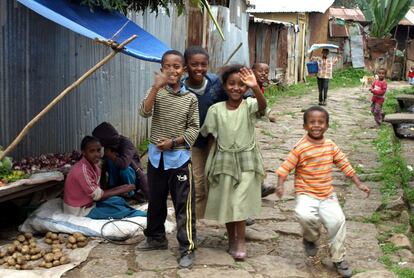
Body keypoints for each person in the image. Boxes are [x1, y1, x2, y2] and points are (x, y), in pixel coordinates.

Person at [275, 106, 370, 278]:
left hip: (327, 194)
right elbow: (285, 168)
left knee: (337, 222)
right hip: (306, 193)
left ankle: (338, 258)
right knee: (304, 215)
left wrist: (358, 183)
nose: (316, 125)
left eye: (321, 122)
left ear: (327, 126)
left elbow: (344, 164)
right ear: (305, 126)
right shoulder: (300, 148)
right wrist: (280, 185)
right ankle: (310, 238)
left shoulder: (330, 146)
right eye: (312, 122)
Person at [137, 50, 199, 268]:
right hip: (156, 159)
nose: (172, 70)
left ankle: (187, 248)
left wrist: (173, 142)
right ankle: (155, 238)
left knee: (184, 205)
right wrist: (155, 87)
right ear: (161, 69)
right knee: (155, 200)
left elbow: (194, 129)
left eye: (176, 66)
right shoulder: (158, 93)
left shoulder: (190, 98)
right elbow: (144, 112)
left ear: (183, 70)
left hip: (179, 159)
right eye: (167, 66)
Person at [200, 64, 266, 260]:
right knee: (228, 201)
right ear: (225, 85)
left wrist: (255, 87)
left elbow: (263, 108)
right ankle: (231, 240)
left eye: (241, 85)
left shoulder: (250, 105)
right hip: (224, 159)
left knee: (239, 202)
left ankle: (240, 241)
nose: (236, 88)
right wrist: (210, 163)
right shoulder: (215, 109)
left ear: (246, 88)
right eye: (232, 84)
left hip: (246, 159)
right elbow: (210, 138)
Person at [182, 45, 227, 219]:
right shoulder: (180, 88)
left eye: (203, 64)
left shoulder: (217, 84)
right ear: (186, 66)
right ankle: (198, 224)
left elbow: (236, 98)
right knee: (197, 183)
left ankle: (233, 216)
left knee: (221, 179)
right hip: (192, 143)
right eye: (194, 64)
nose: (199, 68)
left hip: (216, 140)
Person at [63, 136, 146, 219]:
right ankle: (143, 215)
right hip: (79, 210)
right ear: (84, 152)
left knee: (117, 200)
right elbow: (98, 195)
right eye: (92, 151)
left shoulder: (94, 165)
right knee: (118, 211)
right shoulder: (82, 170)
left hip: (90, 202)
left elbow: (98, 192)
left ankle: (131, 211)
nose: (97, 154)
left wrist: (121, 187)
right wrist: (122, 189)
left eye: (98, 150)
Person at [92, 122, 149, 201]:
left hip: (134, 177)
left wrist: (111, 156)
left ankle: (131, 193)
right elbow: (104, 165)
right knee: (108, 162)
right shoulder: (109, 145)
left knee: (124, 170)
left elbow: (124, 164)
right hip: (119, 179)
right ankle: (114, 188)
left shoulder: (126, 144)